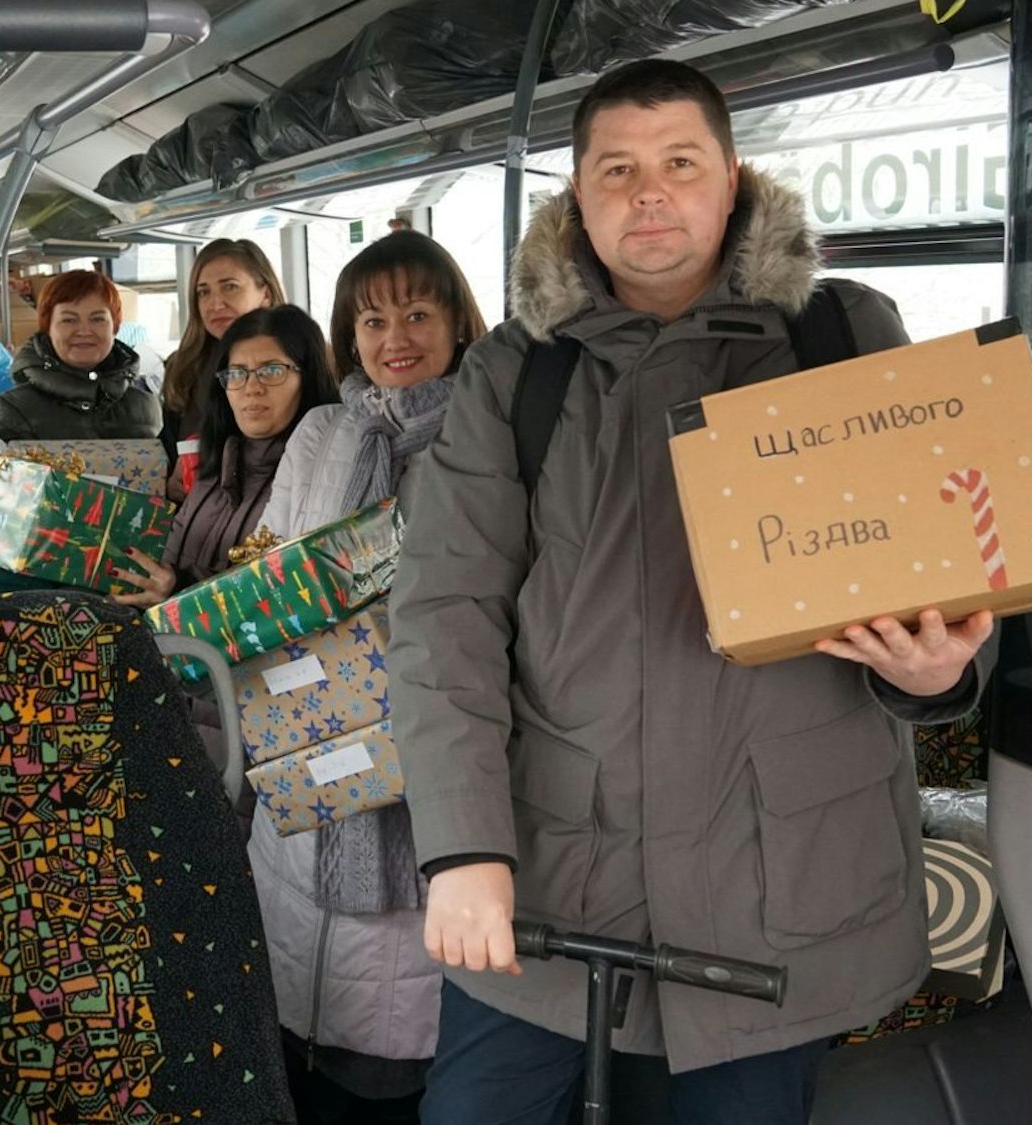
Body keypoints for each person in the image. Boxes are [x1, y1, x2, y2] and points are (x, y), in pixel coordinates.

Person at [386, 59, 996, 1125]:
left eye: (678, 163)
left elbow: (930, 573)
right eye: (614, 171)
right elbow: (445, 619)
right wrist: (462, 847)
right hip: (547, 880)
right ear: (576, 196)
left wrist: (939, 670)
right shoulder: (515, 373)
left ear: (732, 181)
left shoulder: (840, 335)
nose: (647, 193)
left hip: (777, 885)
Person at [250, 232, 488, 1124]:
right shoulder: (320, 431)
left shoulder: (487, 433)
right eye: (372, 317)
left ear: (459, 322)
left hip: (423, 748)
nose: (396, 335)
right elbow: (269, 567)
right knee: (295, 1012)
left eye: (418, 313)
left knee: (393, 1037)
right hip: (304, 743)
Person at [111, 305, 339, 602]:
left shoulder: (320, 480)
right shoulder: (210, 467)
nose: (251, 388)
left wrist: (180, 588)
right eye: (236, 373)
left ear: (307, 377)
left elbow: (289, 593)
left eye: (271, 371)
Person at [159, 239, 286, 500]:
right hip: (197, 517)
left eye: (230, 287)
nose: (215, 304)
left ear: (266, 293)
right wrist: (170, 484)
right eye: (203, 292)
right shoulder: (182, 367)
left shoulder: (298, 361)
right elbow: (170, 451)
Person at [0, 270, 162, 442]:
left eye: (97, 319)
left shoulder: (146, 406)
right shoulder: (15, 408)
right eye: (69, 320)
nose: (84, 331)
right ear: (48, 328)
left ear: (115, 327)